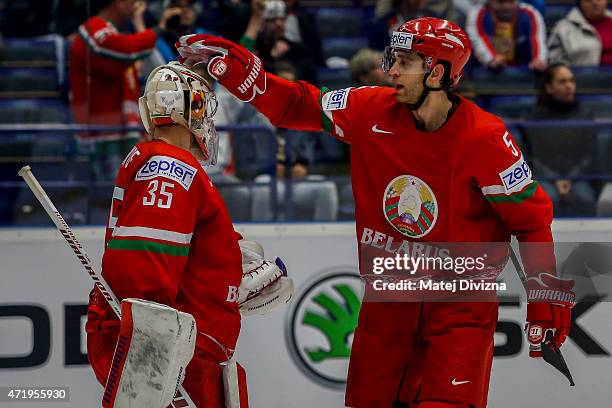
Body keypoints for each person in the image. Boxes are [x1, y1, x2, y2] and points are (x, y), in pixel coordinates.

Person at [177, 17, 574, 407]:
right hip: (389, 299)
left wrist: (546, 307)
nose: (393, 70)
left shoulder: (487, 139)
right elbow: (298, 104)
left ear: (437, 72)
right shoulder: (369, 108)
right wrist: (245, 75)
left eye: (405, 62)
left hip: (460, 306)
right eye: (393, 59)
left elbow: (532, 221)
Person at [85, 62, 293, 407]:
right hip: (176, 364)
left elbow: (181, 252)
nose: (206, 120)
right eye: (202, 107)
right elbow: (142, 271)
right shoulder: (169, 165)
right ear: (189, 107)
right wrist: (150, 367)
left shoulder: (167, 163)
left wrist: (228, 269)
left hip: (193, 355)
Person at [70, 0, 176, 179]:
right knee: (111, 199)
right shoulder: (92, 30)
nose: (138, 3)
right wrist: (157, 30)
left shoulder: (113, 33)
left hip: (122, 132)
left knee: (128, 195)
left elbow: (158, 70)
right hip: (101, 135)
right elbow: (124, 48)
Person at [526, 62, 597, 216]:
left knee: (585, 199)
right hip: (544, 176)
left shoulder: (585, 115)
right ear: (549, 87)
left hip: (577, 177)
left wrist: (570, 178)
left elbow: (589, 154)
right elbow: (531, 156)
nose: (569, 86)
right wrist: (555, 179)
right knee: (548, 198)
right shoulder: (535, 116)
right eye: (562, 82)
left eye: (571, 81)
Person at [466, 0, 547, 71]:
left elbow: (537, 38)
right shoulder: (478, 14)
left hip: (523, 69)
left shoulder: (530, 13)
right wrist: (491, 58)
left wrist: (539, 60)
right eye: (500, 2)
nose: (506, 7)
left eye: (511, 1)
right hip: (485, 70)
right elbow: (478, 39)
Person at [548, 0, 612, 66]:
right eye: (588, 0)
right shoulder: (563, 27)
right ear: (580, 3)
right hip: (584, 75)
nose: (595, 2)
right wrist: (557, 67)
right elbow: (553, 58)